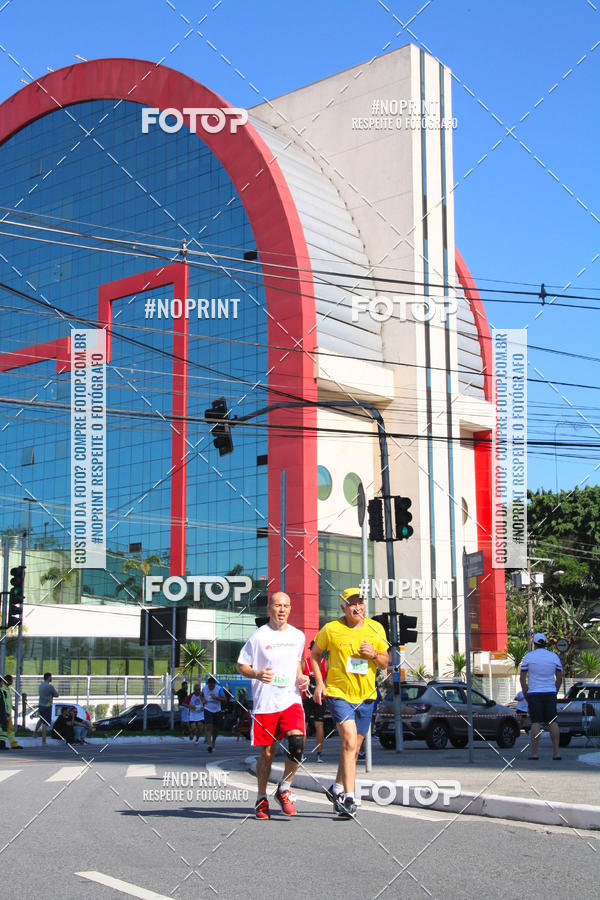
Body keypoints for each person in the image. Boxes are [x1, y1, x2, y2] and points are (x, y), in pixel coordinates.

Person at [311, 587, 389, 818]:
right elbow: (314, 655)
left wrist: (374, 653)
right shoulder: (331, 629)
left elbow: (386, 662)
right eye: (352, 603)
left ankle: (336, 787)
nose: (358, 607)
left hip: (366, 697)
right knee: (348, 742)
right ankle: (349, 798)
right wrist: (320, 683)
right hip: (339, 694)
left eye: (361, 603)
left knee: (353, 750)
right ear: (343, 607)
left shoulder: (376, 628)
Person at [237, 591, 309, 819]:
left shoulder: (298, 636)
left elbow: (297, 663)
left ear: (290, 609)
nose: (282, 610)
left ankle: (284, 789)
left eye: (286, 606)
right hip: (266, 702)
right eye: (278, 605)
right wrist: (257, 674)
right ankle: (261, 798)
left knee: (297, 743)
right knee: (267, 753)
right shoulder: (258, 637)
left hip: (290, 698)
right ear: (269, 609)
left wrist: (302, 677)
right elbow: (241, 665)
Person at [520, 632, 563, 760]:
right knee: (553, 722)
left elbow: (522, 678)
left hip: (534, 693)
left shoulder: (528, 657)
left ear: (534, 643)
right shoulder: (554, 657)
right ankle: (556, 753)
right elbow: (559, 678)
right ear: (545, 643)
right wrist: (554, 691)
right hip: (550, 693)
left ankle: (534, 753)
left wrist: (526, 692)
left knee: (535, 722)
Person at [302, 641, 327, 762]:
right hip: (311, 697)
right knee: (313, 725)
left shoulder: (307, 663)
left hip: (316, 697)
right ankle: (317, 754)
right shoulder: (306, 663)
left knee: (316, 725)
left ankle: (317, 753)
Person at [202, 676, 224, 753]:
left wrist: (217, 698)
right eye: (209, 686)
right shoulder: (204, 688)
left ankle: (213, 741)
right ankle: (209, 744)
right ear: (208, 684)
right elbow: (201, 696)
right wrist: (203, 700)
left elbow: (224, 699)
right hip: (208, 709)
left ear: (214, 684)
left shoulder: (219, 689)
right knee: (208, 726)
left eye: (212, 686)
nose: (211, 687)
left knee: (215, 729)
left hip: (217, 710)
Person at [0, 676, 22, 750]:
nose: (12, 682)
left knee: (10, 729)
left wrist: (12, 707)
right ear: (7, 681)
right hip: (4, 712)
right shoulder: (3, 689)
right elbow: (3, 702)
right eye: (11, 680)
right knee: (4, 729)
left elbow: (7, 701)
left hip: (7, 712)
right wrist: (5, 712)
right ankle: (4, 744)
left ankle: (13, 744)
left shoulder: (7, 689)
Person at [36, 672, 58, 746]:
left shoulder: (40, 685)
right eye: (51, 677)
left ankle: (34, 733)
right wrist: (52, 694)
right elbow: (56, 694)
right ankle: (44, 741)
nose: (52, 678)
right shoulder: (50, 686)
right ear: (48, 677)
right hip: (47, 706)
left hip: (41, 705)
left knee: (41, 719)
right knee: (45, 723)